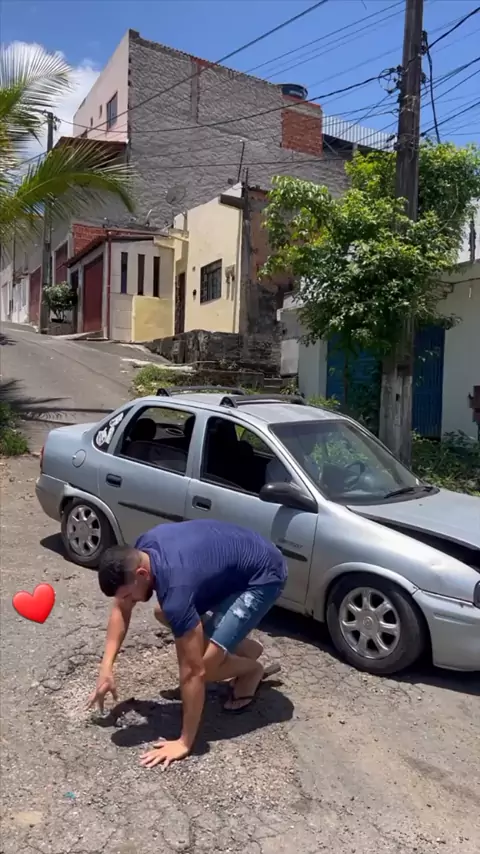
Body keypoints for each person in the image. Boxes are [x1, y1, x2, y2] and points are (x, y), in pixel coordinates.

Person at [87, 518, 287, 769]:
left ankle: (251, 670)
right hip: (234, 566)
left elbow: (193, 671)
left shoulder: (176, 592)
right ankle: (244, 649)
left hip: (263, 575)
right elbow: (120, 607)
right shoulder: (143, 550)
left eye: (129, 594)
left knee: (207, 668)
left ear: (142, 574)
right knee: (164, 613)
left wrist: (184, 742)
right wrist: (106, 667)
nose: (130, 601)